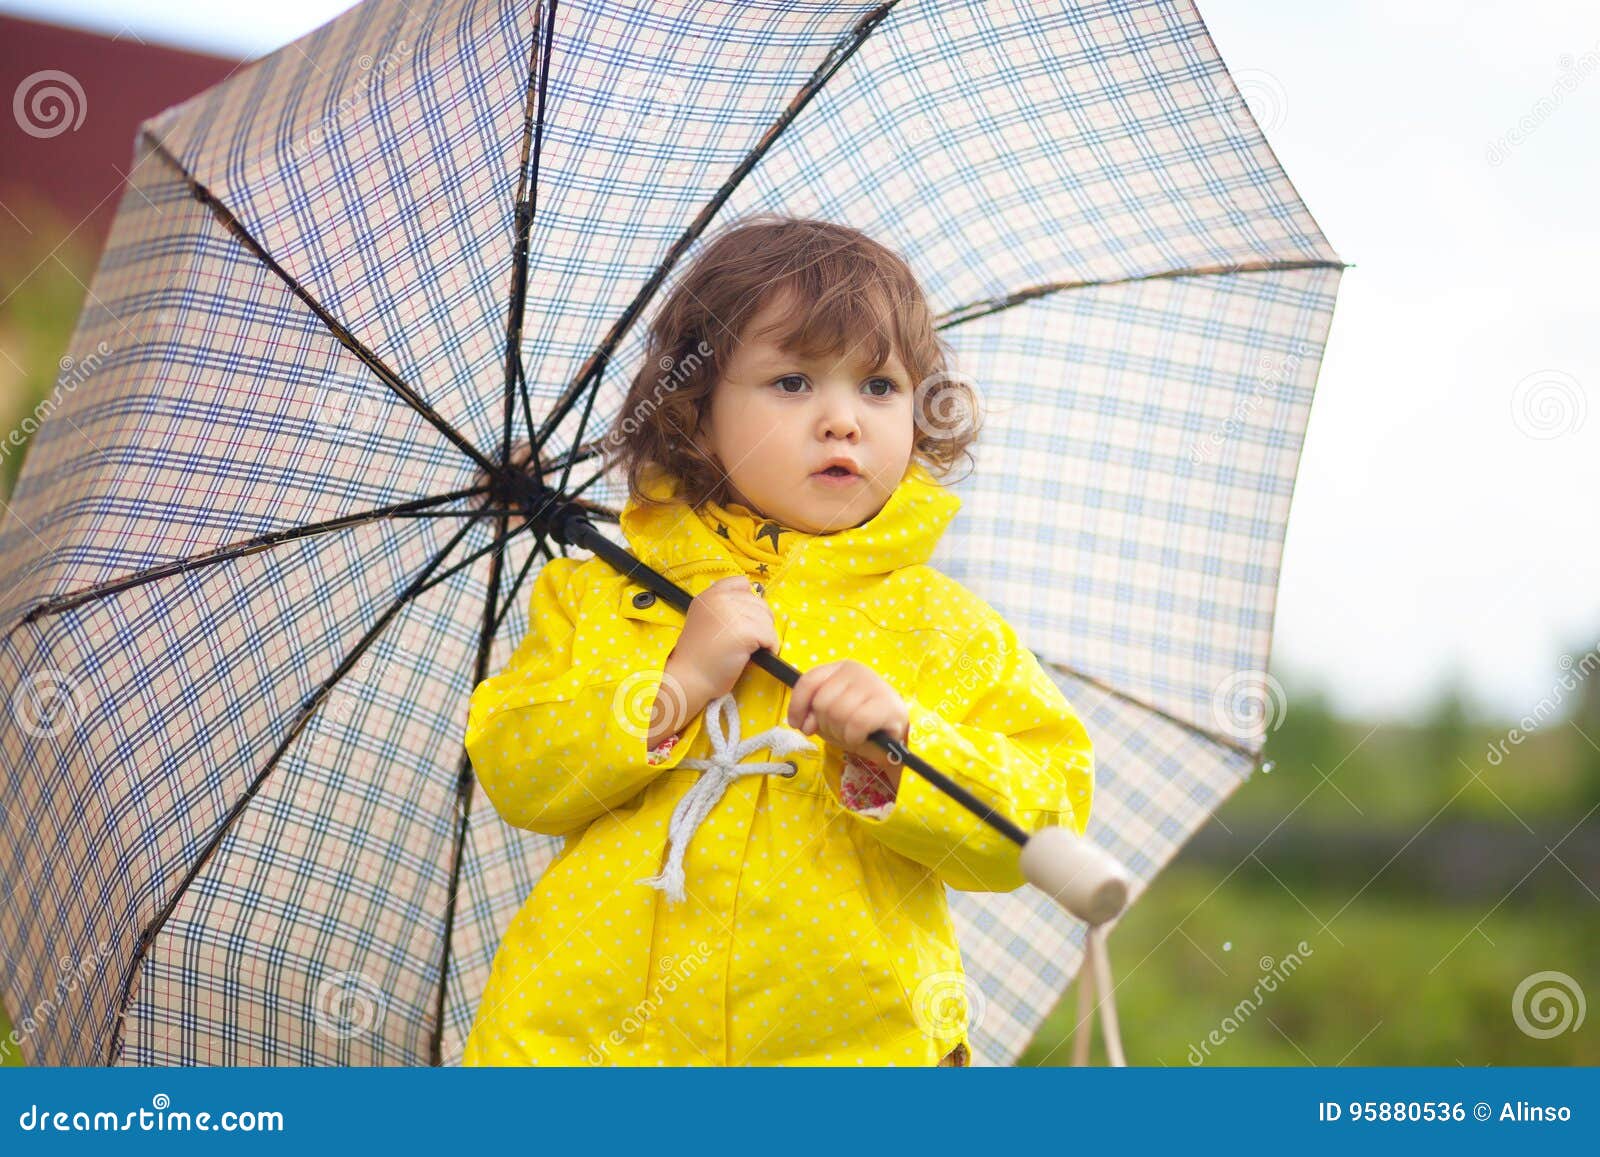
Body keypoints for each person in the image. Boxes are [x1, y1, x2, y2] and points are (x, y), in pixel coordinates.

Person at [460, 214, 1094, 1066]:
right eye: (793, 382)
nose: (843, 420)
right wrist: (674, 685)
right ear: (694, 411)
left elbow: (1040, 814)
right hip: (592, 1049)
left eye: (879, 387)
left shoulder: (947, 629)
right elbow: (518, 765)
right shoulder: (606, 597)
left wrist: (904, 744)